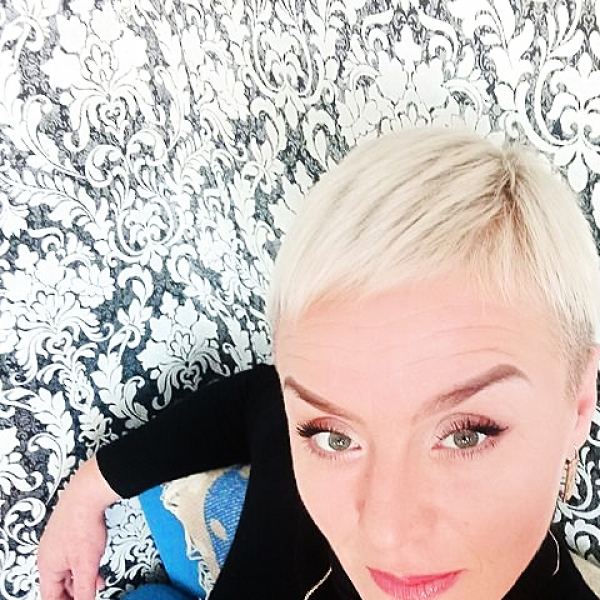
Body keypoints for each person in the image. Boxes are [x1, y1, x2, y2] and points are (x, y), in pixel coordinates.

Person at [38, 127, 600, 600]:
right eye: (335, 435)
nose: (384, 534)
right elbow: (256, 399)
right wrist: (87, 494)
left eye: (466, 435)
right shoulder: (291, 430)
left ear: (577, 408)